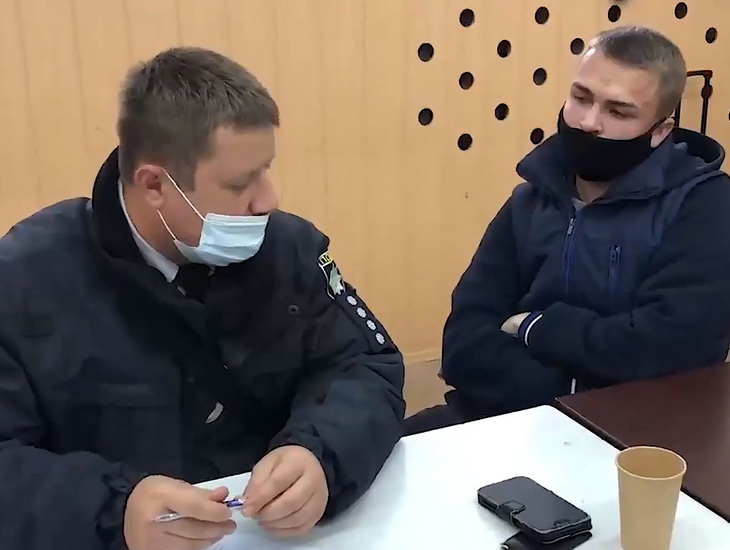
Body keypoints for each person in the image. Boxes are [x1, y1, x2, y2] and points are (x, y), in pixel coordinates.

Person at [0, 47, 406, 550]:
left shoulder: (287, 249)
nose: (268, 200)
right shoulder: (24, 282)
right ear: (154, 185)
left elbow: (367, 366)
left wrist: (321, 456)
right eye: (240, 183)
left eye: (266, 170)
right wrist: (114, 513)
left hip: (279, 537)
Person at [404, 25, 730, 435]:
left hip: (634, 436)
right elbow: (464, 342)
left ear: (660, 131)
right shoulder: (529, 199)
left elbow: (671, 349)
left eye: (618, 112)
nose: (588, 122)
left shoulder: (702, 204)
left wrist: (535, 327)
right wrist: (570, 387)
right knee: (374, 456)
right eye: (581, 98)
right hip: (504, 416)